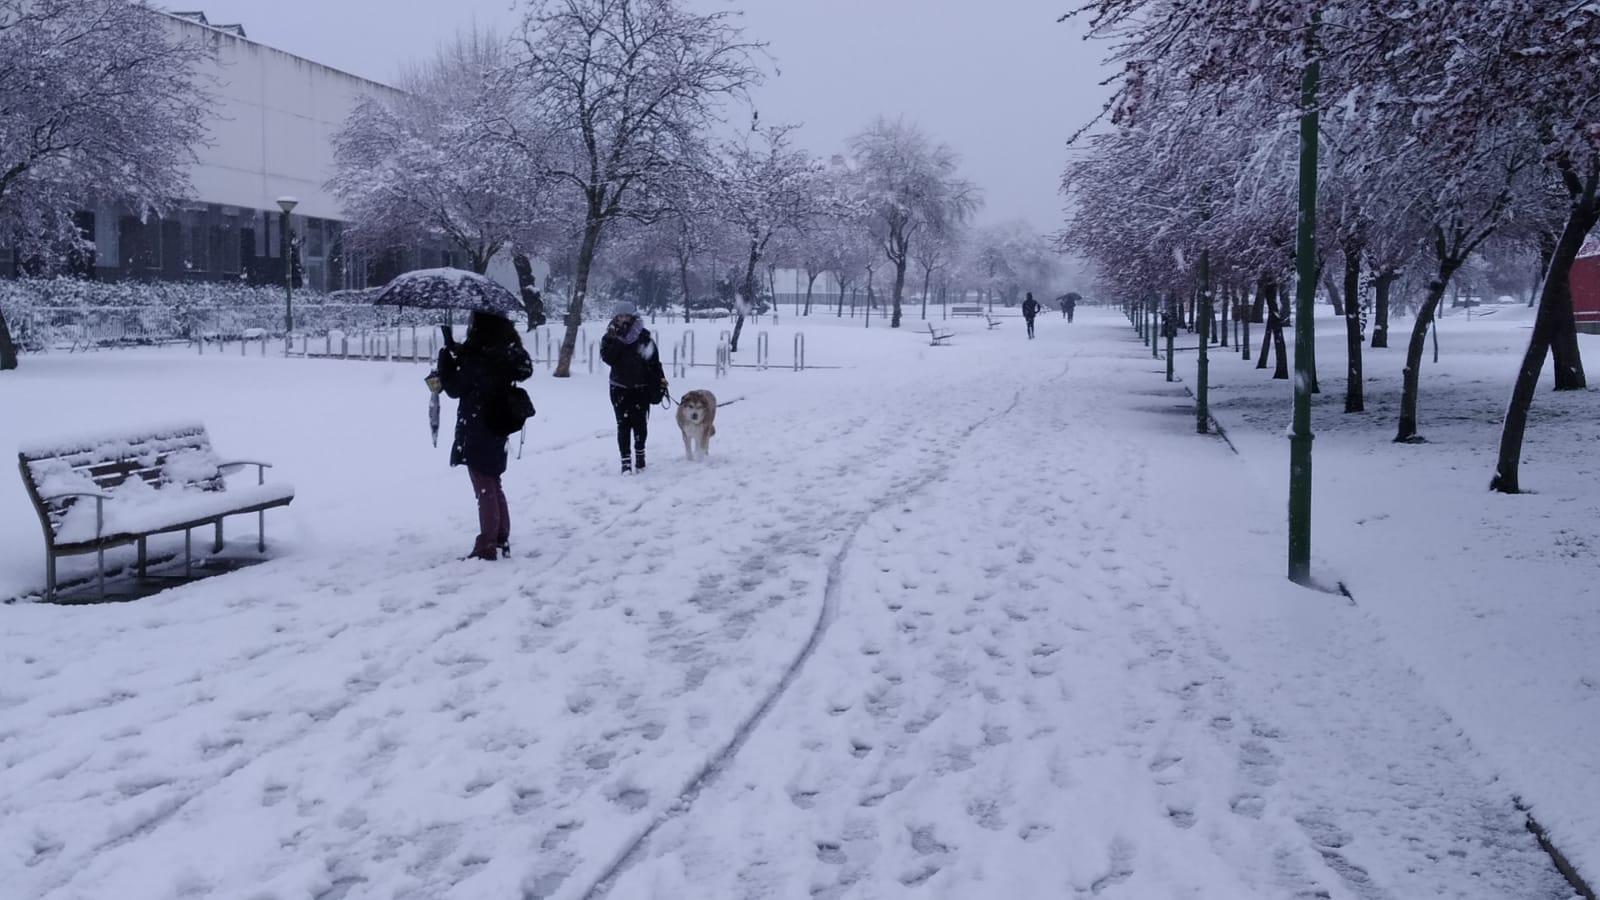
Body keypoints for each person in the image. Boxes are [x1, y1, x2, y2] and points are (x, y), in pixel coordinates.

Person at [436, 310, 534, 561]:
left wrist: (445, 361)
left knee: (483, 484)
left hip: (478, 423)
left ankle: (487, 543)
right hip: (498, 421)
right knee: (493, 480)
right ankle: (500, 536)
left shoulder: (479, 355)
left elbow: (456, 387)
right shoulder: (503, 348)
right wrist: (458, 350)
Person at [600, 301, 668, 474]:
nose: (623, 319)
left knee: (640, 424)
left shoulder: (643, 337)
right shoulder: (609, 337)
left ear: (633, 317)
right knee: (623, 424)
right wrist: (616, 340)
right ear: (615, 318)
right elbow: (609, 359)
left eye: (627, 316)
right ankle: (625, 461)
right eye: (620, 316)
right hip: (619, 386)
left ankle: (640, 455)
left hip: (641, 387)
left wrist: (660, 382)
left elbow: (654, 362)